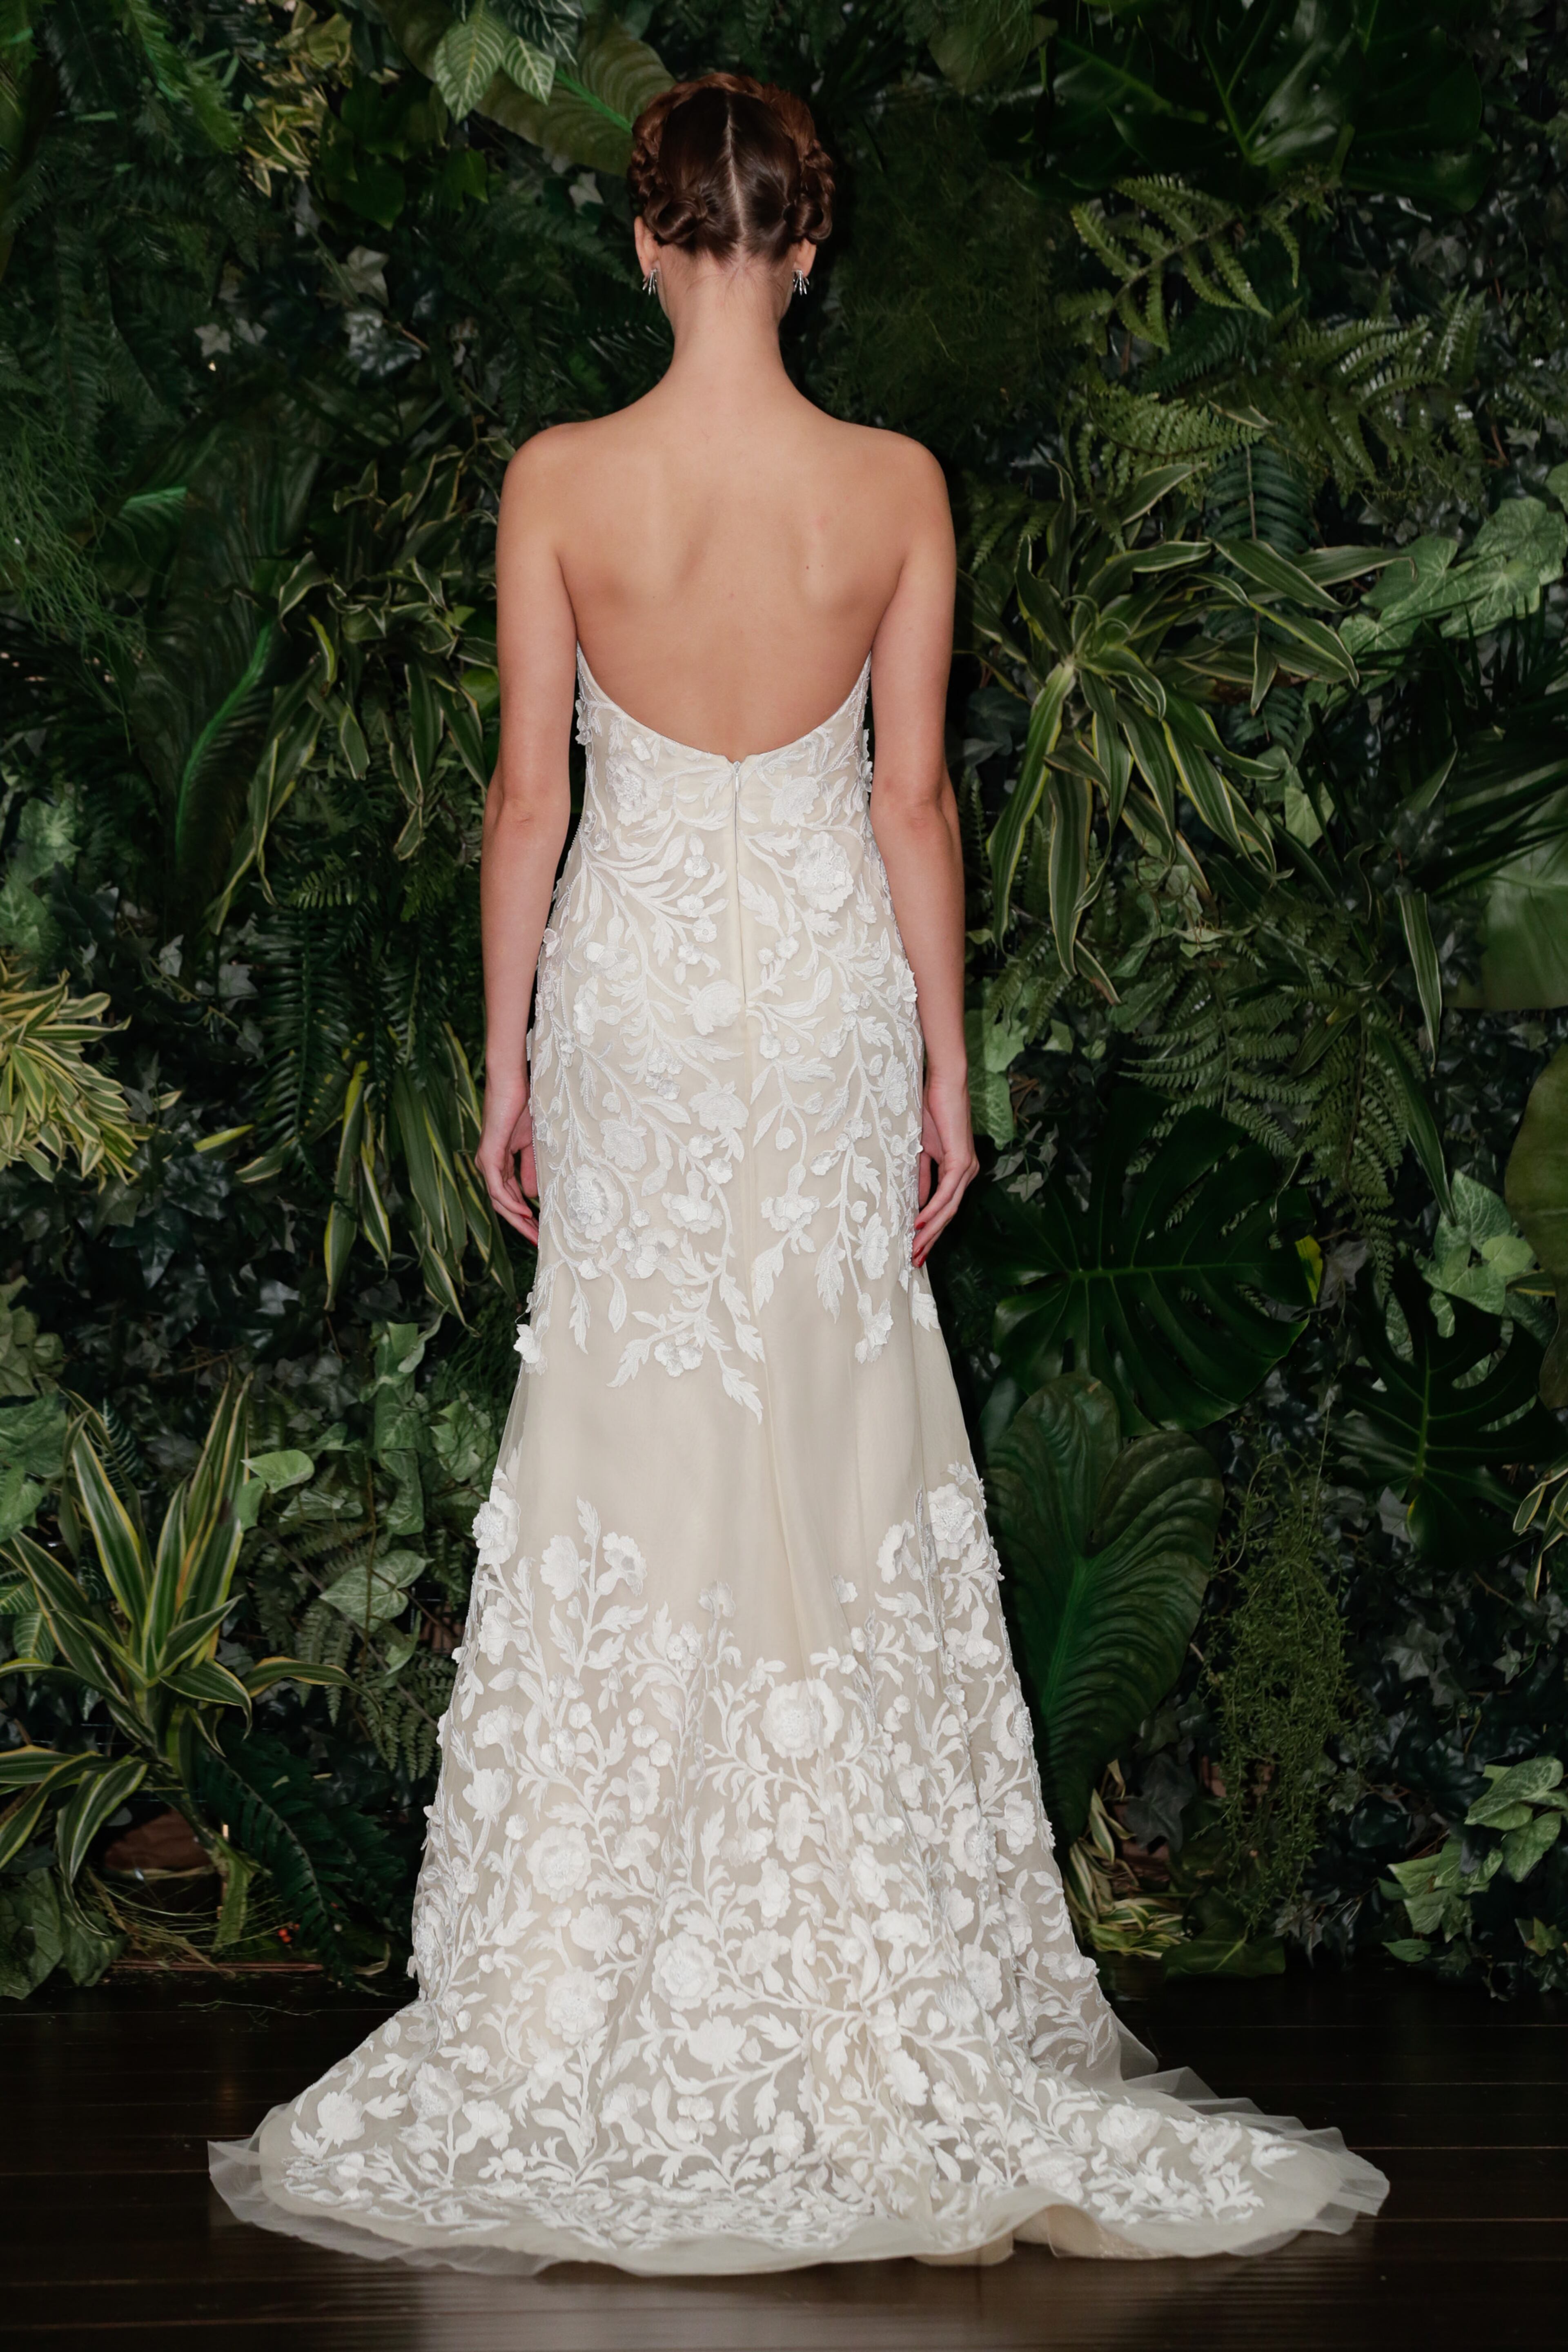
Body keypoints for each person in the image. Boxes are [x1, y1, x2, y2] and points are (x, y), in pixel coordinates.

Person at [210, 71, 1387, 2274]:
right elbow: (915, 799)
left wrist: (504, 1055)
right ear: (808, 246)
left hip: (641, 1002)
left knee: (634, 1440)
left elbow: (527, 806)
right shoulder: (893, 486)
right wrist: (948, 1064)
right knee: (840, 1438)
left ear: (650, 244)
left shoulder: (565, 479)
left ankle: (593, 1979)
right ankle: (888, 1971)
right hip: (832, 998)